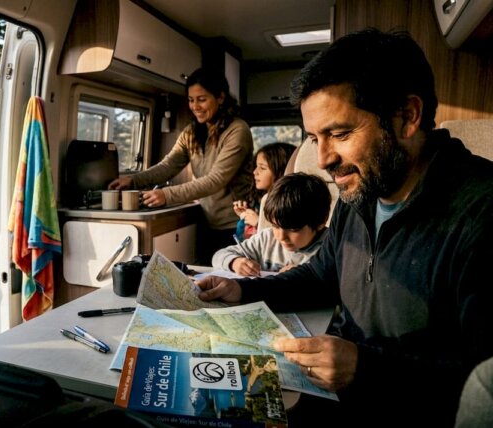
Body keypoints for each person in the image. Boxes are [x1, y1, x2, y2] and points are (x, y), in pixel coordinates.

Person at [196, 28, 493, 427]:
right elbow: (322, 275)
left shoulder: (481, 215)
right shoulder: (360, 194)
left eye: (339, 133)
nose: (322, 159)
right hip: (331, 394)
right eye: (314, 138)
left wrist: (366, 368)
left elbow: (483, 388)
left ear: (407, 116)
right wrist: (243, 289)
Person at [108, 68, 254, 263]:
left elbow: (216, 180)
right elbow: (168, 166)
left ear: (220, 98)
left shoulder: (237, 131)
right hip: (205, 221)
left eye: (201, 99)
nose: (195, 106)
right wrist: (133, 180)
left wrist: (166, 195)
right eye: (191, 100)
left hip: (234, 225)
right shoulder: (191, 132)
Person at [213, 172, 330, 275]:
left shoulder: (332, 247)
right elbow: (218, 256)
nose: (281, 237)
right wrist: (235, 262)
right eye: (275, 226)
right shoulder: (267, 239)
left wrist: (303, 276)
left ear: (320, 222)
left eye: (293, 229)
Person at [233, 142, 298, 242]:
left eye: (262, 168)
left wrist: (259, 223)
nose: (255, 172)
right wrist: (244, 217)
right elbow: (243, 242)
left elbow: (282, 242)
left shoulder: (292, 204)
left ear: (281, 171)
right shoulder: (258, 202)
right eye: (256, 166)